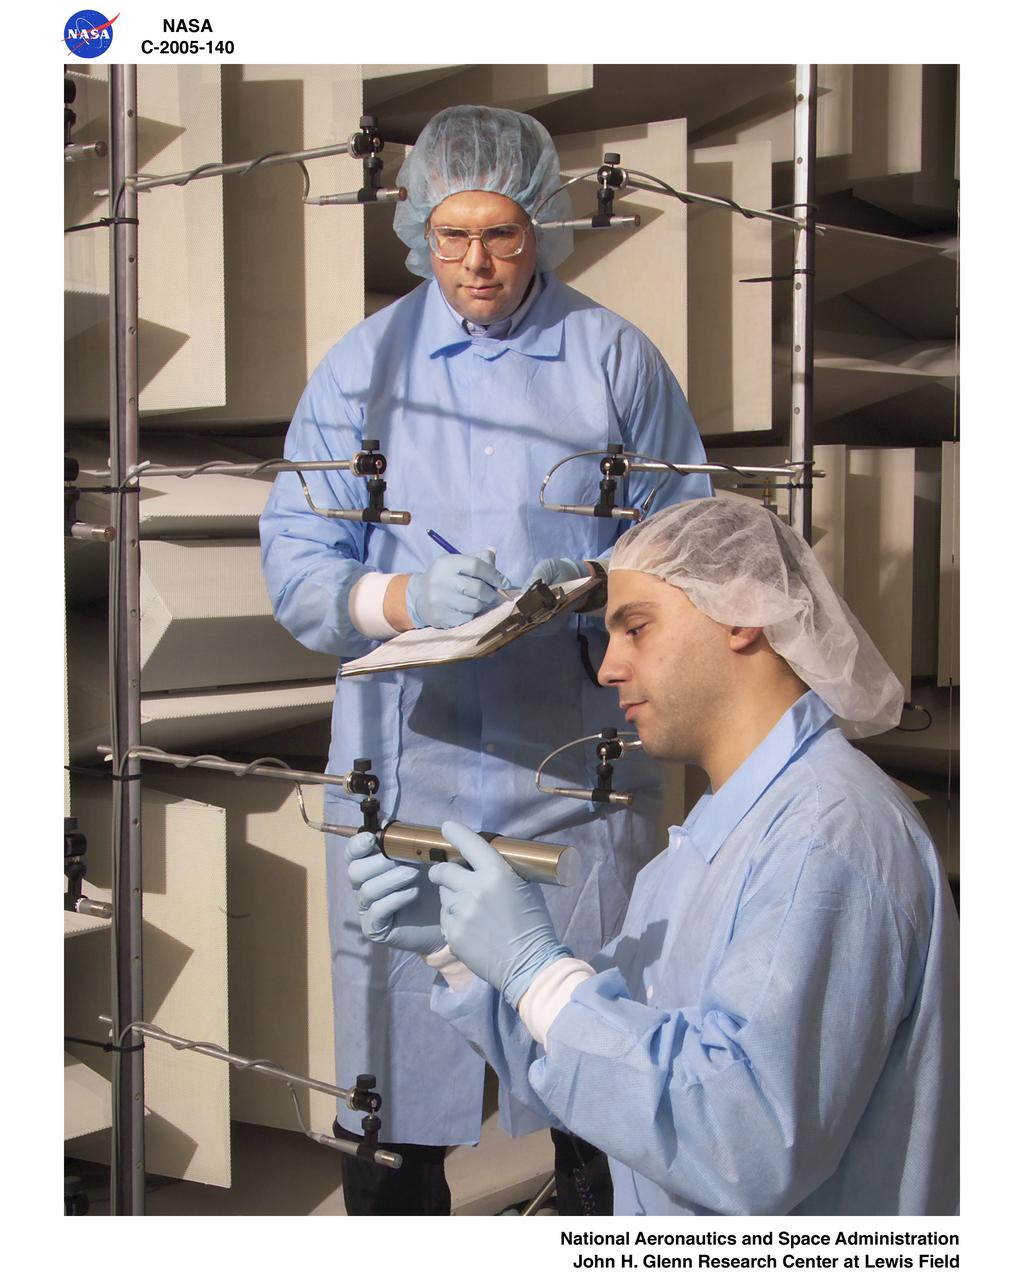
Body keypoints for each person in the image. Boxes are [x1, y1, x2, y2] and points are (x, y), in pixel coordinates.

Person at [260, 104, 711, 1214]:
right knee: (395, 1080)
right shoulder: (363, 367)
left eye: (501, 234)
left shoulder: (613, 360)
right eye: (452, 233)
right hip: (407, 766)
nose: (475, 261)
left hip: (576, 765)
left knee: (591, 1052)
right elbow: (297, 563)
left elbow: (688, 543)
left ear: (542, 222)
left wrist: (585, 593)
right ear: (417, 227)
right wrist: (404, 594)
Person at [347, 496, 959, 1215]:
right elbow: (611, 1081)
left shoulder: (824, 837)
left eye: (636, 628)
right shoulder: (705, 846)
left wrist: (538, 971)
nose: (608, 669)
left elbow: (741, 1141)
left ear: (742, 612)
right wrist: (466, 957)